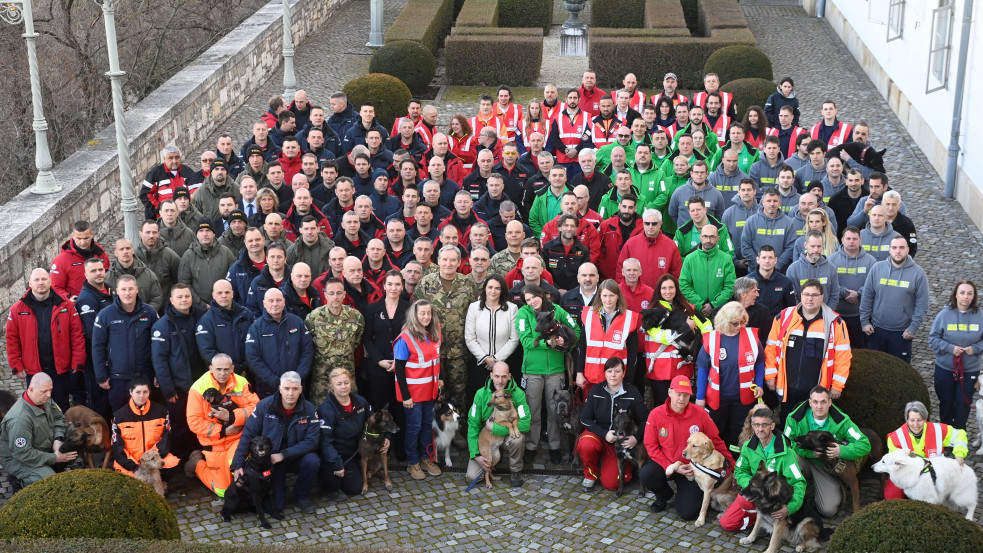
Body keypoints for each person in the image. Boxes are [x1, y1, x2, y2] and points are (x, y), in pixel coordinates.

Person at [640, 375, 734, 516]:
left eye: (686, 395)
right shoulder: (655, 415)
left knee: (688, 513)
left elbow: (716, 441)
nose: (681, 399)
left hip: (693, 469)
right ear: (670, 392)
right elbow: (650, 446)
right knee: (646, 473)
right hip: (667, 464)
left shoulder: (700, 414)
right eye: (678, 394)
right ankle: (664, 495)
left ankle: (685, 495)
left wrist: (733, 467)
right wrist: (671, 467)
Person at [232, 371, 320, 515]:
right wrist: (238, 464)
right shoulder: (264, 406)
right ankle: (278, 491)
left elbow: (312, 441)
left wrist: (284, 454)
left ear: (301, 389)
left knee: (312, 461)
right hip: (271, 461)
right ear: (280, 388)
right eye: (286, 388)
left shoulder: (309, 409)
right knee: (275, 508)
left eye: (294, 389)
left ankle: (301, 496)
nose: (290, 393)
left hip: (295, 456)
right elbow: (249, 434)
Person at [783, 385, 871, 518]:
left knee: (828, 510)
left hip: (825, 467)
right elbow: (786, 444)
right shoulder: (794, 418)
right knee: (790, 459)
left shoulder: (842, 421)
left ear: (830, 402)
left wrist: (842, 451)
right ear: (810, 403)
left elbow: (864, 445)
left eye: (823, 402)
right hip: (803, 460)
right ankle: (793, 496)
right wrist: (808, 453)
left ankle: (833, 488)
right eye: (816, 402)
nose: (819, 406)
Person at [516, 284, 580, 465]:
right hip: (532, 371)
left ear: (542, 294)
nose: (532, 302)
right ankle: (531, 446)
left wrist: (565, 343)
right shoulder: (523, 314)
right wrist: (550, 343)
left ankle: (554, 447)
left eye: (534, 297)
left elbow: (576, 331)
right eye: (528, 300)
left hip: (556, 371)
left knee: (555, 412)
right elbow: (526, 340)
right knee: (533, 411)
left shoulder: (557, 311)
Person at [6, 268, 85, 412]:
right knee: (36, 407)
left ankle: (61, 434)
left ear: (50, 281)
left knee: (62, 404)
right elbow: (12, 339)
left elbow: (77, 335)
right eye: (36, 280)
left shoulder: (66, 305)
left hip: (61, 369)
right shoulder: (17, 309)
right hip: (33, 370)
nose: (40, 283)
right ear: (30, 283)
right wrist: (16, 364)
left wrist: (77, 361)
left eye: (44, 279)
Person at [765, 279, 852, 408]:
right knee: (788, 424)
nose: (809, 299)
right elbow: (771, 348)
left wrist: (837, 385)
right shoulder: (783, 317)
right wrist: (770, 375)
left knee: (814, 427)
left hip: (817, 391)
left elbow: (843, 356)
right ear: (800, 296)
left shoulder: (835, 322)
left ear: (822, 297)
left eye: (814, 295)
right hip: (788, 388)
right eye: (806, 294)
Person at [414, 246, 478, 417]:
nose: (448, 263)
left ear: (459, 262)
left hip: (459, 350)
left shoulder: (468, 284)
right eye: (444, 259)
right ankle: (435, 432)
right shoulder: (426, 283)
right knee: (434, 391)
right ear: (439, 261)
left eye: (452, 260)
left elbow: (475, 314)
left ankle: (459, 429)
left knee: (459, 391)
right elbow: (416, 314)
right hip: (432, 351)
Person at [719, 407, 806, 532]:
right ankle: (758, 519)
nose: (760, 429)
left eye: (765, 425)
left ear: (772, 425)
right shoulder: (748, 447)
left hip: (774, 499)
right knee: (727, 523)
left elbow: (798, 482)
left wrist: (790, 507)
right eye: (757, 425)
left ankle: (766, 520)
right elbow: (739, 471)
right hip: (755, 494)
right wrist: (755, 485)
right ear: (752, 425)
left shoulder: (787, 453)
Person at [186, 354, 260, 498]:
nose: (222, 373)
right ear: (211, 368)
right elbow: (194, 422)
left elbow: (256, 407)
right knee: (223, 491)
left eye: (226, 369)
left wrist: (232, 417)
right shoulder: (197, 388)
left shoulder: (241, 381)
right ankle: (196, 464)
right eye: (218, 369)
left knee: (238, 463)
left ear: (232, 368)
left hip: (238, 438)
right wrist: (223, 431)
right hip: (215, 444)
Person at [695, 302, 765, 451]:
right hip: (716, 399)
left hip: (744, 398)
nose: (739, 325)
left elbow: (760, 362)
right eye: (735, 323)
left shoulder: (752, 337)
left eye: (742, 321)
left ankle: (735, 464)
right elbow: (703, 369)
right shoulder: (711, 339)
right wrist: (700, 397)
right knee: (716, 431)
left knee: (738, 433)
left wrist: (759, 384)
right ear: (724, 321)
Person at [151, 284, 206, 459]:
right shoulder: (162, 326)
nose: (184, 300)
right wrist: (168, 390)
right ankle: (181, 460)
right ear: (172, 300)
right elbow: (159, 361)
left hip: (202, 385)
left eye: (187, 296)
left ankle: (200, 458)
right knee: (180, 425)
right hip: (178, 387)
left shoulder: (202, 317)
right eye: (180, 297)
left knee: (201, 423)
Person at [576, 357, 648, 492]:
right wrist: (604, 433)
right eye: (609, 371)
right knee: (586, 444)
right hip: (599, 435)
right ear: (604, 373)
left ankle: (623, 466)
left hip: (622, 442)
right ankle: (590, 475)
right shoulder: (596, 390)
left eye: (617, 371)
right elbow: (584, 418)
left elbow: (646, 420)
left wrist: (637, 438)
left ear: (623, 373)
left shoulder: (632, 392)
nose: (613, 375)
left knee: (612, 484)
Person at [642, 274, 713, 405]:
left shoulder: (688, 308)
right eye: (664, 288)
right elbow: (658, 336)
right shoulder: (652, 311)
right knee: (662, 406)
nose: (668, 292)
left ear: (676, 289)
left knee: (681, 406)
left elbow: (706, 325)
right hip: (659, 370)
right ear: (658, 290)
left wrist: (704, 345)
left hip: (682, 368)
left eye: (671, 287)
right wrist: (686, 328)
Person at [92, 275, 159, 411]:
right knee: (121, 417)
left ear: (137, 290)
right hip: (118, 378)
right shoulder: (105, 315)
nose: (127, 293)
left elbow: (159, 346)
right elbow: (97, 346)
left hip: (145, 376)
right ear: (117, 291)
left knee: (146, 417)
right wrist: (101, 376)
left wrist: (158, 373)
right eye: (123, 289)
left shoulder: (150, 312)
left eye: (130, 289)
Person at [394, 299, 444, 480]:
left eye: (429, 313)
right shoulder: (405, 337)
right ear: (414, 315)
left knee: (426, 426)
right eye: (422, 313)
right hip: (412, 395)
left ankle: (426, 457)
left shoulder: (435, 331)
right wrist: (405, 396)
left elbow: (437, 359)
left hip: (430, 391)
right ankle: (412, 462)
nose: (426, 316)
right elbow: (399, 369)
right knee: (414, 427)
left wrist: (440, 380)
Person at [0, 372, 77, 489]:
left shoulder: (45, 400)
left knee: (74, 439)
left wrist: (58, 439)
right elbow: (23, 454)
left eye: (50, 390)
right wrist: (54, 457)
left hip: (41, 445)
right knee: (50, 482)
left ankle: (54, 466)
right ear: (31, 389)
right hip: (20, 459)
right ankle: (21, 482)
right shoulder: (19, 420)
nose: (49, 394)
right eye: (44, 391)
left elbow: (59, 418)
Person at [860, 236, 929, 363]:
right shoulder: (877, 268)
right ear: (889, 250)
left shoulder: (918, 274)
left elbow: (922, 304)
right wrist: (864, 321)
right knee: (876, 368)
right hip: (876, 330)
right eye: (894, 248)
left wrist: (913, 328)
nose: (898, 251)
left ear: (907, 250)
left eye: (902, 248)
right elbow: (867, 295)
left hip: (902, 333)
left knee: (900, 372)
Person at [883, 400, 968, 499]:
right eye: (912, 420)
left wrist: (959, 456)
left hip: (935, 473)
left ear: (925, 419)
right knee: (891, 495)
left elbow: (960, 435)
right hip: (907, 473)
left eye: (919, 420)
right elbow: (895, 463)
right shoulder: (895, 437)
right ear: (906, 419)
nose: (916, 424)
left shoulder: (938, 430)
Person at [317, 368, 379, 500]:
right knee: (345, 481)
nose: (343, 387)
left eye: (346, 382)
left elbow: (374, 421)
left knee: (355, 488)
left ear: (351, 382)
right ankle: (329, 486)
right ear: (331, 386)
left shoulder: (360, 401)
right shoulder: (326, 410)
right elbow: (325, 442)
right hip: (337, 453)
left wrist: (385, 438)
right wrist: (336, 462)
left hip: (356, 450)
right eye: (339, 384)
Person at [466, 361, 530, 488]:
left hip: (506, 437)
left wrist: (496, 428)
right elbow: (472, 425)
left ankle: (515, 471)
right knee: (471, 477)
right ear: (491, 376)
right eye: (497, 376)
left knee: (518, 439)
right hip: (487, 441)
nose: (500, 381)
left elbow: (525, 424)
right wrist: (475, 454)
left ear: (509, 376)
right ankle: (494, 461)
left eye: (504, 376)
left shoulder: (518, 394)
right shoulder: (480, 394)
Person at [928, 280, 983, 429]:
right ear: (956, 295)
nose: (965, 296)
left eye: (969, 293)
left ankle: (959, 435)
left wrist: (976, 348)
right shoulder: (944, 315)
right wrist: (950, 348)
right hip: (945, 368)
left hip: (969, 369)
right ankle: (945, 434)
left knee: (962, 403)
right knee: (946, 402)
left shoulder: (980, 316)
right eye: (962, 293)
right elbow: (933, 339)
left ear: (973, 297)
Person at [245, 288, 314, 398]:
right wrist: (275, 381)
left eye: (278, 300)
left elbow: (307, 351)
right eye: (271, 301)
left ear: (284, 302)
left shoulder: (297, 322)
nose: (275, 304)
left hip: (296, 388)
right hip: (268, 389)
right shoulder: (256, 328)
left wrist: (297, 379)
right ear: (264, 303)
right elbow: (253, 358)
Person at [305, 277, 364, 403]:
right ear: (325, 295)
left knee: (349, 413)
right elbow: (308, 345)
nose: (335, 297)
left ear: (344, 295)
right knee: (321, 416)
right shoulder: (314, 318)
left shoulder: (356, 317)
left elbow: (357, 341)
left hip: (346, 378)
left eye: (339, 293)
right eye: (331, 293)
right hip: (322, 379)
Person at [110, 376, 180, 477]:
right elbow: (117, 448)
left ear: (149, 392)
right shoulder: (119, 416)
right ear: (131, 392)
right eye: (138, 392)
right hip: (131, 463)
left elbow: (166, 439)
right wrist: (134, 467)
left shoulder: (162, 412)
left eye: (145, 392)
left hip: (154, 459)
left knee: (173, 465)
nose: (141, 396)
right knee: (128, 481)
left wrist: (151, 461)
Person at [465, 275, 520, 399]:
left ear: (502, 290)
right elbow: (470, 337)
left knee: (504, 401)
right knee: (480, 398)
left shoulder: (512, 309)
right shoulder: (474, 308)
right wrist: (485, 358)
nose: (493, 291)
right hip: (480, 364)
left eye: (497, 288)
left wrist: (496, 360)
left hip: (504, 364)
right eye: (490, 287)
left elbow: (514, 339)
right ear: (485, 289)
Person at [578, 279, 639, 390]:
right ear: (600, 296)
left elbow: (632, 354)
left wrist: (628, 381)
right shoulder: (589, 315)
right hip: (591, 377)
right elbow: (582, 347)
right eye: (604, 295)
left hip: (617, 380)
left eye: (611, 295)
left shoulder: (629, 318)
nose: (608, 299)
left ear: (618, 296)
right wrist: (579, 373)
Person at [828, 226, 876, 348]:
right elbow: (828, 283)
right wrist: (844, 293)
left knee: (859, 351)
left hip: (860, 316)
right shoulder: (831, 260)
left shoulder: (871, 261)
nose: (851, 241)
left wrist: (858, 294)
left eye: (855, 238)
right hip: (836, 315)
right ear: (842, 240)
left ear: (860, 240)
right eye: (848, 238)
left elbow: (874, 284)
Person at [178, 219, 237, 310]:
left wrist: (224, 299)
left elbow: (235, 279)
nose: (205, 234)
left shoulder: (226, 253)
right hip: (197, 310)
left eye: (208, 230)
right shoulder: (188, 256)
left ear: (214, 233)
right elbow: (184, 283)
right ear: (197, 234)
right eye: (201, 231)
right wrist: (202, 305)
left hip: (224, 307)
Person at [679, 225, 736, 318]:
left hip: (720, 312)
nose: (708, 240)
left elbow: (730, 286)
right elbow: (683, 284)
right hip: (695, 311)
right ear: (700, 237)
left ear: (718, 239)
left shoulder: (726, 259)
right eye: (705, 236)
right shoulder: (690, 259)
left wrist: (713, 305)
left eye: (712, 237)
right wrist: (700, 304)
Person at [615, 209, 681, 288]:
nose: (650, 227)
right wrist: (624, 290)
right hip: (636, 294)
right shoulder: (631, 244)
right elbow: (620, 270)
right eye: (647, 223)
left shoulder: (671, 246)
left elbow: (677, 274)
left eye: (654, 224)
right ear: (643, 224)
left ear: (660, 224)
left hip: (661, 295)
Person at [50, 220, 110, 301]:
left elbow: (106, 274)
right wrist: (69, 298)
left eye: (86, 238)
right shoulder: (61, 260)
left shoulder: (100, 253)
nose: (82, 242)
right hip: (77, 304)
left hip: (101, 301)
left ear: (92, 234)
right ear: (73, 236)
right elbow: (55, 287)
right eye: (79, 238)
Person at [740, 188, 797, 272]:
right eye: (769, 201)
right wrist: (759, 266)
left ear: (780, 202)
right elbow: (745, 246)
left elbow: (790, 248)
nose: (772, 204)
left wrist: (777, 266)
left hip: (779, 272)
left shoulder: (788, 223)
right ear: (763, 202)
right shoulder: (751, 221)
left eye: (775, 201)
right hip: (755, 272)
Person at [786, 230, 841, 310]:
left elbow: (835, 294)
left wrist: (826, 313)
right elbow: (792, 296)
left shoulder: (831, 268)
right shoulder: (793, 269)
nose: (816, 250)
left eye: (819, 246)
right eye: (812, 246)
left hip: (825, 316)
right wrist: (802, 313)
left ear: (823, 246)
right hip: (801, 316)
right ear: (805, 245)